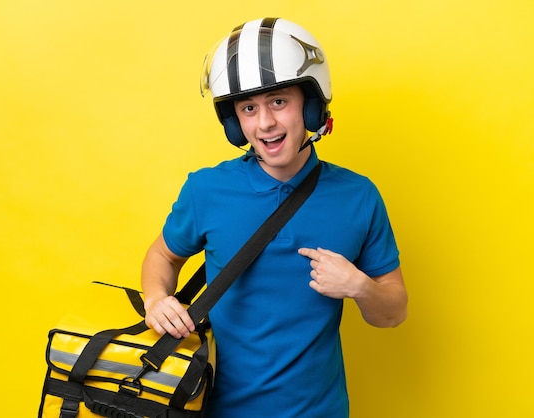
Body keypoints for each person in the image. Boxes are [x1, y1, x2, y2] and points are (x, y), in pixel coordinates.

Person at [141, 17, 408, 418]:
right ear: (235, 122)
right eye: (249, 108)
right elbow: (163, 256)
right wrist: (156, 298)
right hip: (213, 410)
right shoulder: (206, 190)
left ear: (312, 105)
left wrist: (360, 286)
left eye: (279, 102)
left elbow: (394, 313)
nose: (265, 123)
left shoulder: (359, 196)